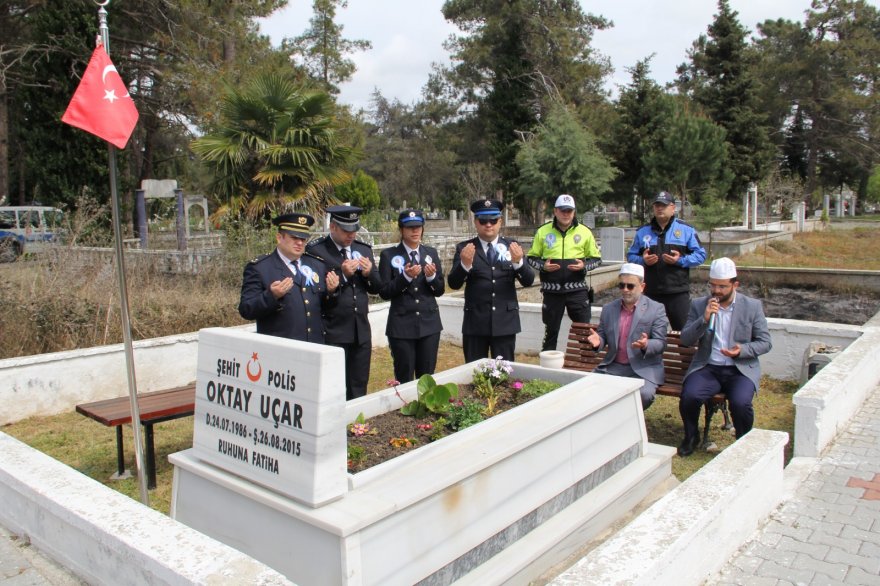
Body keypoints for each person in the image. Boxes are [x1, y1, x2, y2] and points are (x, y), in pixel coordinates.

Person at [676, 257, 772, 457]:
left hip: (739, 369)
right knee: (689, 396)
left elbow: (765, 342)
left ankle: (742, 442)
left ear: (734, 285)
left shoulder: (751, 306)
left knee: (740, 403)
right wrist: (703, 319)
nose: (717, 291)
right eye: (713, 285)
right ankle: (691, 436)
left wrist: (742, 350)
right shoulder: (700, 304)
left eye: (722, 286)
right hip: (708, 367)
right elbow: (685, 339)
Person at [306, 205, 382, 400]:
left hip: (360, 330)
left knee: (359, 384)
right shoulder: (317, 251)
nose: (351, 235)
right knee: (334, 387)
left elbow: (377, 287)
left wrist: (368, 274)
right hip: (334, 329)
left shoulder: (362, 249)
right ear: (333, 227)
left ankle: (356, 426)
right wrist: (344, 275)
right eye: (346, 230)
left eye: (354, 230)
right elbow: (316, 293)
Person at [448, 198, 534, 362]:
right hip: (475, 323)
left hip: (505, 323)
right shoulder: (465, 248)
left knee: (504, 374)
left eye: (493, 220)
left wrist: (518, 262)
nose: (489, 224)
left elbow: (528, 281)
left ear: (500, 222)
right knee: (474, 374)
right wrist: (464, 265)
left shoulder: (512, 246)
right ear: (476, 222)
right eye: (483, 220)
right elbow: (453, 283)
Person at [238, 212, 340, 343]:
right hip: (281, 348)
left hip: (314, 345)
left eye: (303, 239)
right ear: (279, 238)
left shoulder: (317, 265)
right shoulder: (260, 268)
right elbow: (246, 309)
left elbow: (326, 308)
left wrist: (332, 292)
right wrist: (271, 296)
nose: (299, 243)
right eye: (294, 238)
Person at [585, 263, 669, 410]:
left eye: (630, 286)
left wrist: (646, 344)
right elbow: (603, 334)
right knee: (587, 388)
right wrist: (598, 342)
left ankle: (622, 422)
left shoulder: (656, 309)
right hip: (613, 367)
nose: (625, 290)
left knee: (644, 395)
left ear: (642, 287)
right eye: (621, 285)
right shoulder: (609, 309)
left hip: (643, 368)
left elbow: (661, 342)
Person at [527, 194, 601, 351]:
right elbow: (531, 258)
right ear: (555, 211)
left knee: (584, 332)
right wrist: (543, 266)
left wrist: (585, 266)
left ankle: (588, 370)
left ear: (574, 212)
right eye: (562, 210)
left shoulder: (585, 232)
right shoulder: (543, 231)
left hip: (578, 292)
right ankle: (548, 371)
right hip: (552, 292)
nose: (566, 214)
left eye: (569, 211)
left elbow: (596, 259)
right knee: (550, 334)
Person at [378, 209, 445, 383]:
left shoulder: (431, 253)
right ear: (401, 230)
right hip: (401, 325)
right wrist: (405, 277)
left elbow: (439, 290)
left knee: (427, 377)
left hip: (429, 324)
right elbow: (384, 292)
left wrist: (431, 277)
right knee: (404, 376)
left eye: (418, 227)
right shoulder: (389, 255)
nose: (415, 231)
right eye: (410, 227)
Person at [627, 191, 706, 331]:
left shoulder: (686, 230)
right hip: (651, 293)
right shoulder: (642, 232)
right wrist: (643, 260)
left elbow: (700, 255)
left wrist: (680, 260)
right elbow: (630, 256)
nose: (660, 208)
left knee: (684, 335)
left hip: (677, 293)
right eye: (657, 205)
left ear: (672, 208)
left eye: (663, 205)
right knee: (647, 335)